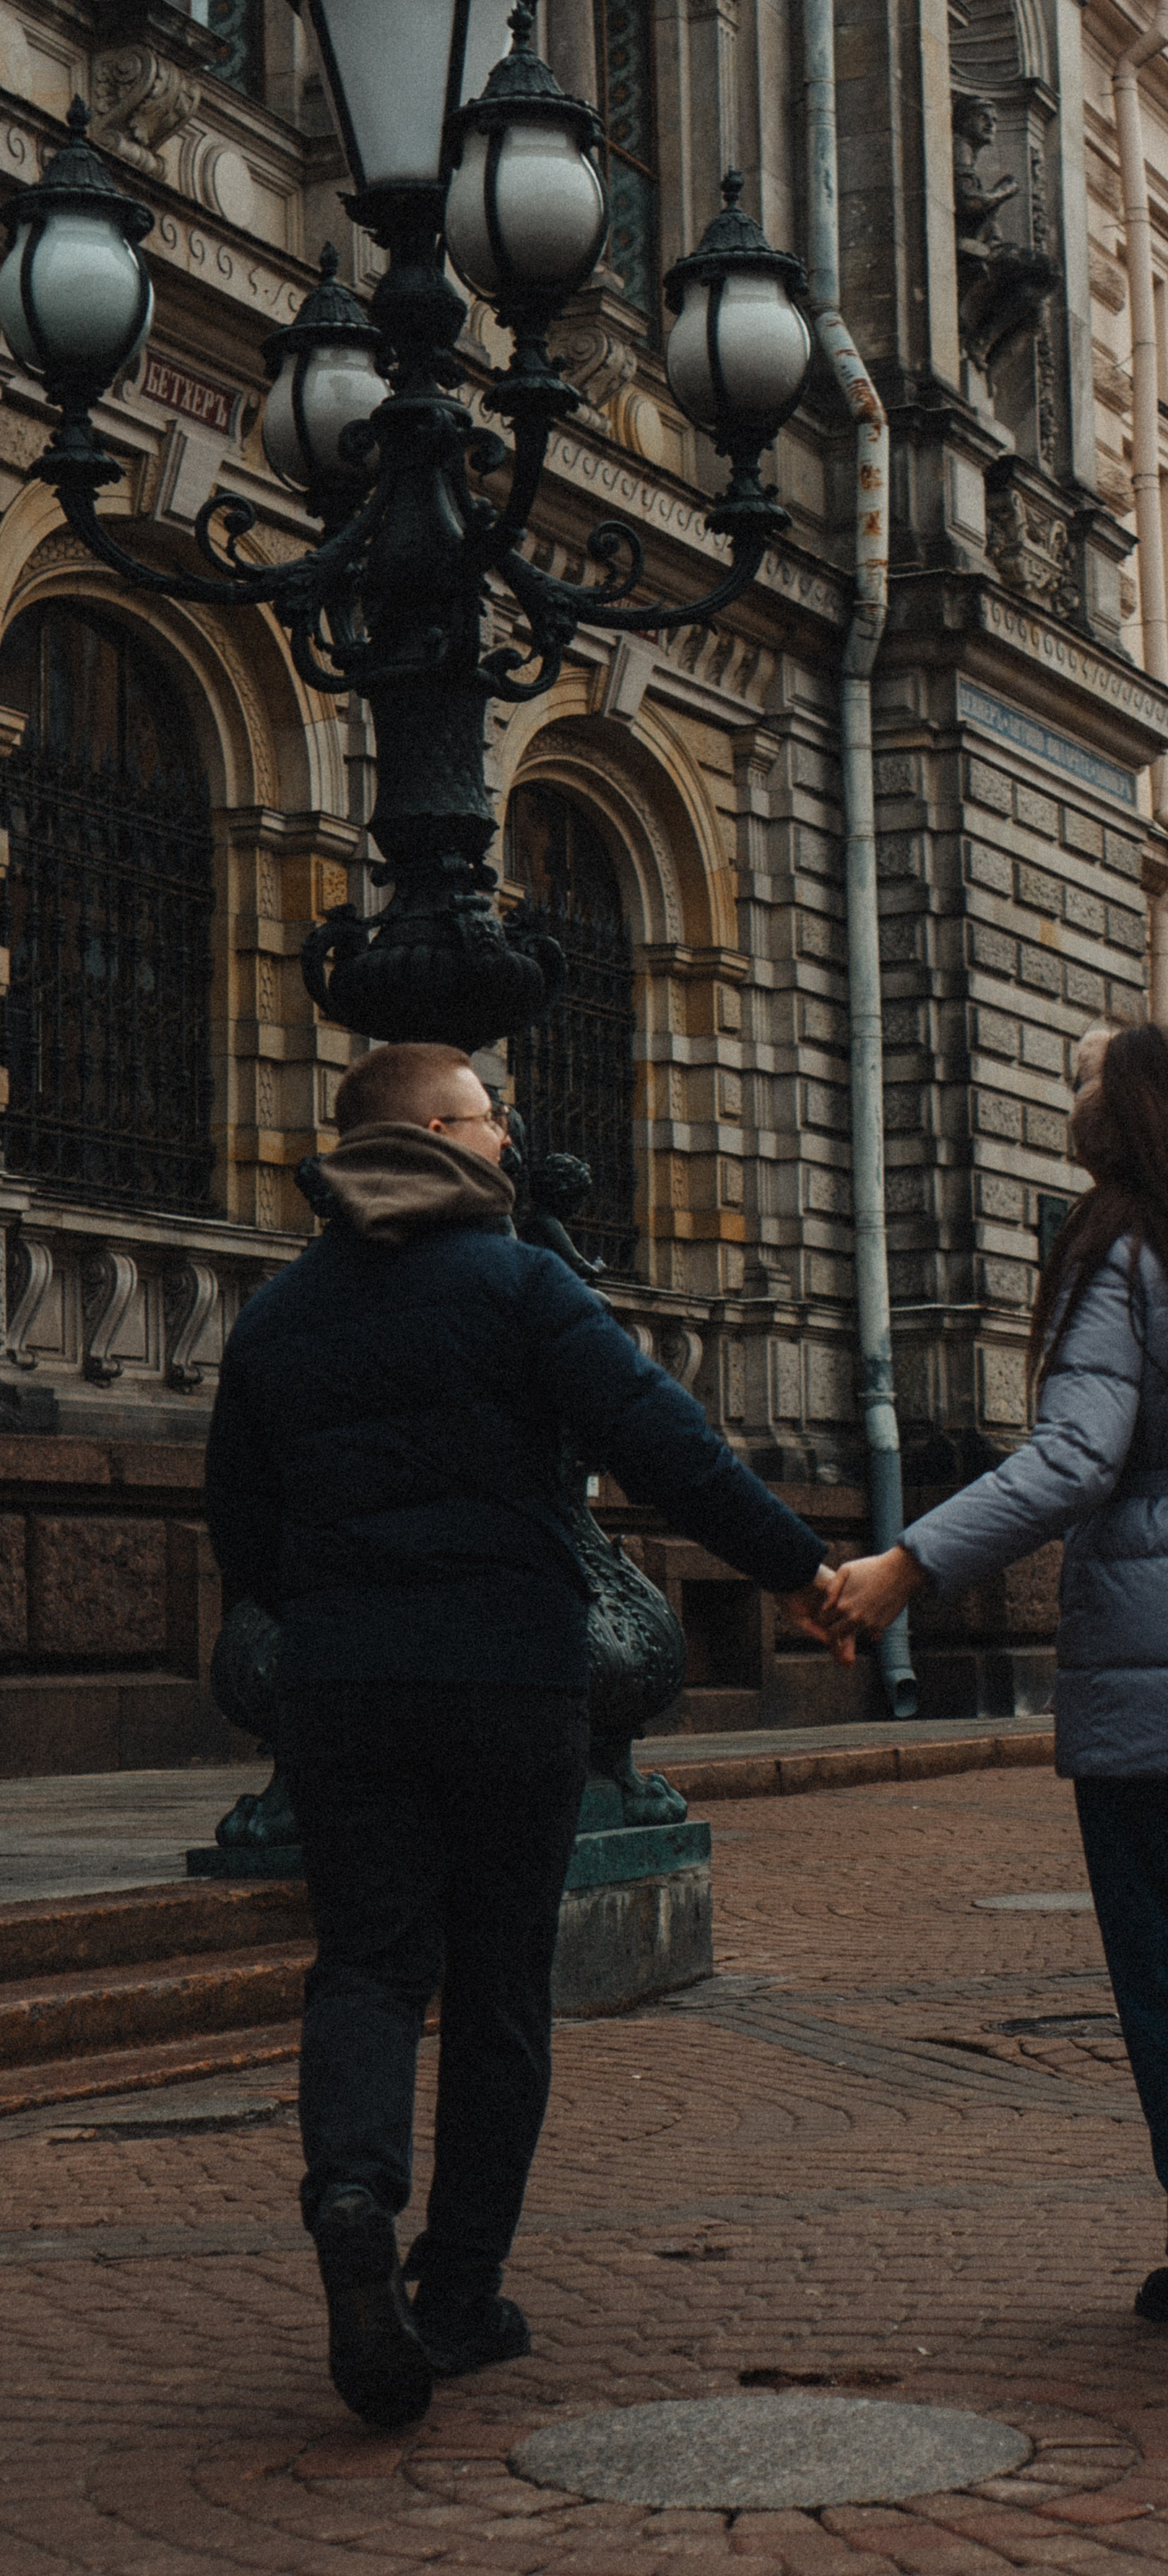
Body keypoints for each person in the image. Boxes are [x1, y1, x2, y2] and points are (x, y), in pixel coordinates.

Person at [205, 1042, 839, 2431]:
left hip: (344, 1687)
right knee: (497, 1986)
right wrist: (803, 1574)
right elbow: (669, 1446)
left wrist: (327, 1616)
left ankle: (355, 2196)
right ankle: (460, 2293)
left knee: (367, 1965)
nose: (509, 1143)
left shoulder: (278, 1317)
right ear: (439, 1131)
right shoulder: (519, 1282)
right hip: (509, 1682)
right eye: (494, 1121)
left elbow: (241, 1533)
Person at [827, 1022, 1168, 2381]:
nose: (1068, 1098)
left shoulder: (1118, 1251)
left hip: (1153, 1658)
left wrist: (910, 1564)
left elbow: (1078, 1459)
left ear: (1120, 1111)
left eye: (1079, 1079)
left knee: (1165, 1967)